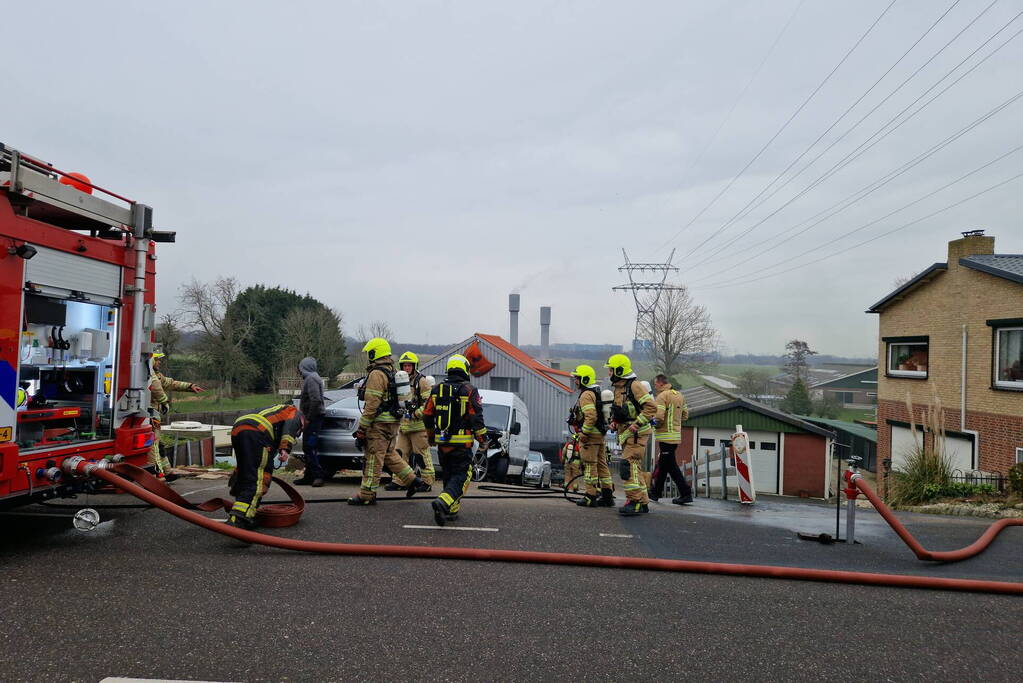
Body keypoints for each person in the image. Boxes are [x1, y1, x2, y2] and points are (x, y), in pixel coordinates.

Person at [348, 338, 430, 505]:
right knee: (389, 455)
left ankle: (366, 495)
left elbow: (372, 405)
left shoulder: (377, 374)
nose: (368, 357)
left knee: (373, 458)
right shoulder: (392, 371)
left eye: (369, 353)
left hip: (379, 425)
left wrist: (362, 428)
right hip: (393, 423)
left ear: (374, 353)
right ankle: (414, 481)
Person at [422, 354, 487, 526]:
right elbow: (476, 418)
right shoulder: (470, 390)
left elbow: (427, 415)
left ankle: (449, 511)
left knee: (450, 476)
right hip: (462, 445)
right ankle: (443, 501)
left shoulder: (436, 390)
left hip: (442, 444)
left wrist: (431, 437)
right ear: (465, 369)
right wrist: (483, 439)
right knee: (462, 476)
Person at [227, 403, 302, 530]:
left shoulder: (275, 409)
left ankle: (241, 498)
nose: (299, 434)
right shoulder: (296, 412)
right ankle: (239, 518)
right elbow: (290, 426)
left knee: (246, 469)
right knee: (258, 478)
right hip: (258, 433)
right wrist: (285, 448)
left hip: (238, 428)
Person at [605, 353, 655, 515]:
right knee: (635, 468)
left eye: (611, 370)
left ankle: (634, 502)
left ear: (619, 370)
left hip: (636, 434)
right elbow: (621, 411)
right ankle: (643, 502)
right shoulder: (619, 388)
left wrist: (637, 423)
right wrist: (614, 421)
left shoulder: (634, 386)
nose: (609, 373)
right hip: (626, 434)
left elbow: (651, 408)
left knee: (628, 465)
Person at [149, 350, 204, 481]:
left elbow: (170, 383)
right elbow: (156, 387)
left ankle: (167, 472)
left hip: (154, 417)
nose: (159, 362)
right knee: (154, 446)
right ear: (151, 360)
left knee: (159, 445)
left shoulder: (157, 375)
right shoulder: (151, 376)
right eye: (157, 359)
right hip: (150, 417)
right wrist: (164, 401)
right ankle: (158, 474)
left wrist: (189, 386)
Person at [387, 351, 436, 491]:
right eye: (404, 365)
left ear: (415, 366)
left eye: (409, 365)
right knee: (399, 453)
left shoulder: (422, 381)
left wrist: (416, 414)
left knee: (421, 455)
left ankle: (427, 483)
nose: (407, 368)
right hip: (404, 426)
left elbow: (429, 404)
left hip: (419, 427)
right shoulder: (399, 381)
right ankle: (399, 481)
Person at [567, 364, 614, 508]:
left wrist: (583, 432)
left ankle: (590, 496)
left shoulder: (586, 394)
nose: (575, 381)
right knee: (601, 465)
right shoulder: (595, 391)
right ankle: (607, 497)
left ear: (585, 379)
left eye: (577, 378)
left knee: (589, 465)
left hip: (590, 437)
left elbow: (591, 416)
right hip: (599, 435)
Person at [649, 374, 694, 505]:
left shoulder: (662, 396)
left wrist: (650, 422)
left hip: (665, 436)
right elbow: (685, 415)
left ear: (661, 383)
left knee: (672, 467)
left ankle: (686, 493)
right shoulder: (679, 395)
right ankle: (655, 493)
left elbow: (659, 417)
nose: (655, 386)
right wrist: (674, 421)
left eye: (656, 383)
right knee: (664, 466)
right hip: (675, 436)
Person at [294, 356, 327, 487]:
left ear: (305, 368)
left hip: (314, 418)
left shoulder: (311, 379)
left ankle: (318, 476)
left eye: (301, 368)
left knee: (309, 446)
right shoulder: (314, 377)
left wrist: (308, 418)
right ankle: (309, 476)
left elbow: (316, 400)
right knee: (308, 447)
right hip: (314, 417)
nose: (300, 371)